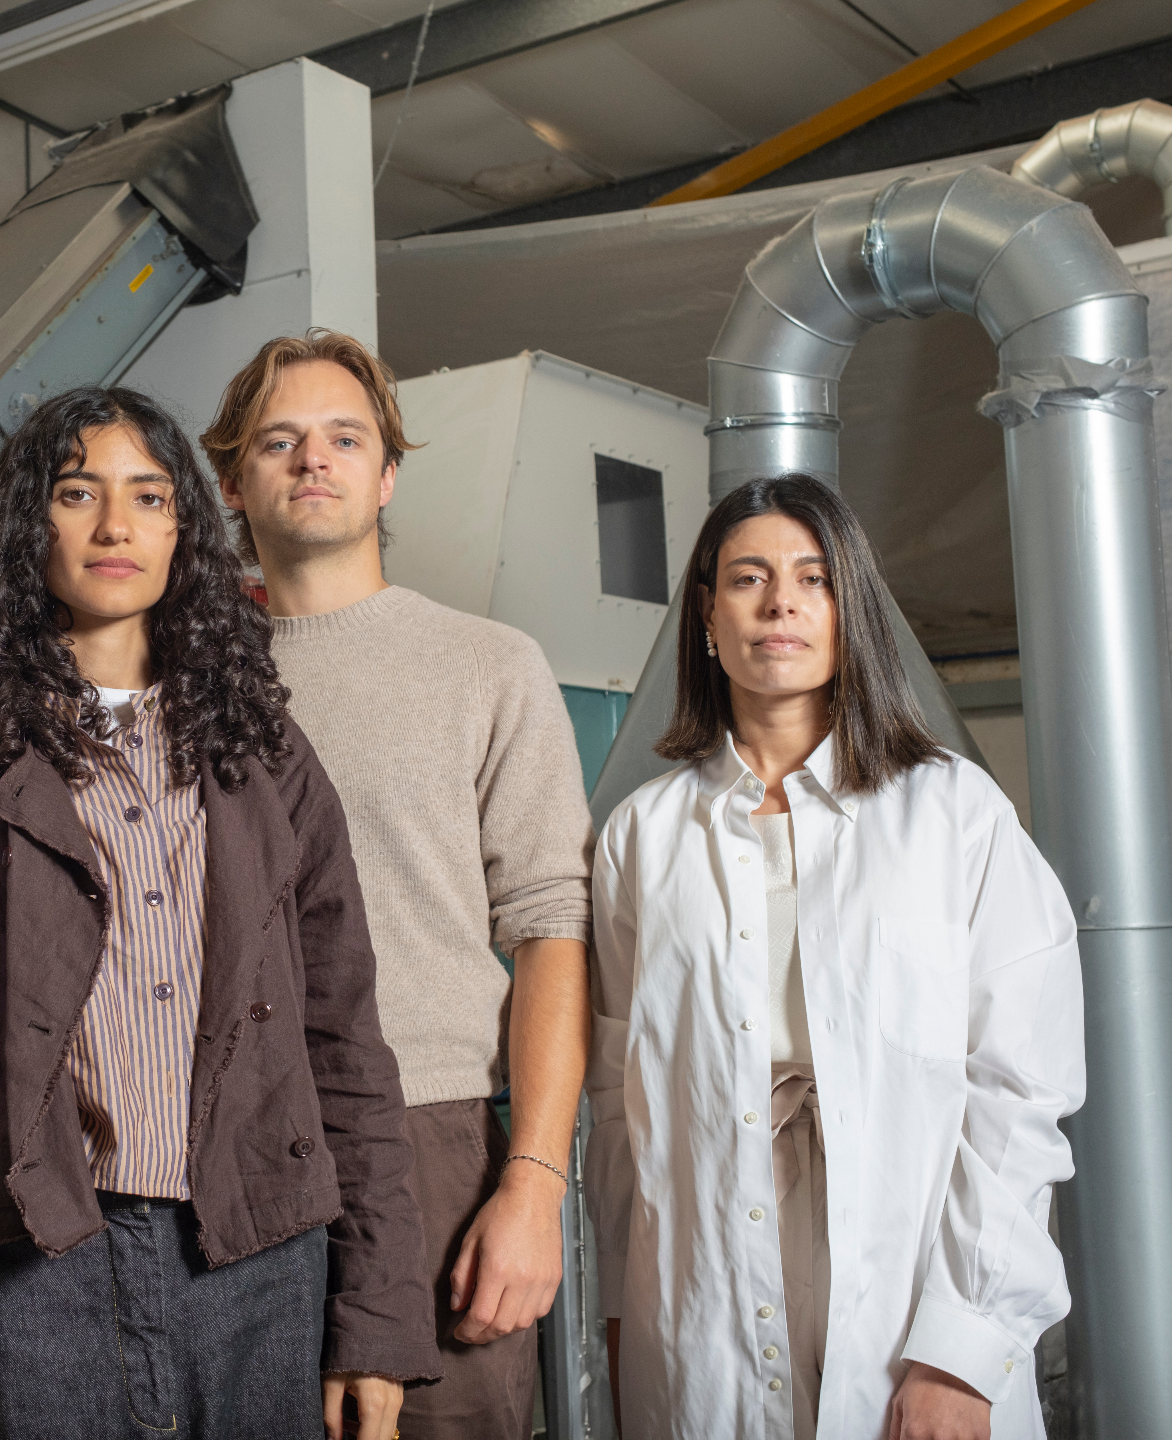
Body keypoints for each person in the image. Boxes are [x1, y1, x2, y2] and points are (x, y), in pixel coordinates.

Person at [0, 385, 439, 1440]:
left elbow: (345, 1041)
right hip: (28, 1268)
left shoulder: (264, 752)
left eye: (150, 497)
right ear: (31, 525)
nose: (116, 526)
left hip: (256, 1258)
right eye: (79, 494)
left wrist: (376, 1315)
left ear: (185, 532)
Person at [583, 474, 1084, 1440]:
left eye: (813, 579)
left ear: (849, 608)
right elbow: (620, 1105)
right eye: (749, 579)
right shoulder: (640, 838)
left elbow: (1019, 1094)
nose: (780, 603)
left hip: (912, 1292)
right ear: (707, 615)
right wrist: (625, 1316)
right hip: (704, 1291)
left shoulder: (955, 815)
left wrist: (962, 1351)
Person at [203, 331, 596, 1439]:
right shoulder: (181, 679)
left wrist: (532, 1184)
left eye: (343, 438)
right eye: (278, 441)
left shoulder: (489, 665)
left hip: (432, 1143)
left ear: (387, 475)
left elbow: (553, 933)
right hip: (220, 1135)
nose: (311, 460)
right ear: (234, 479)